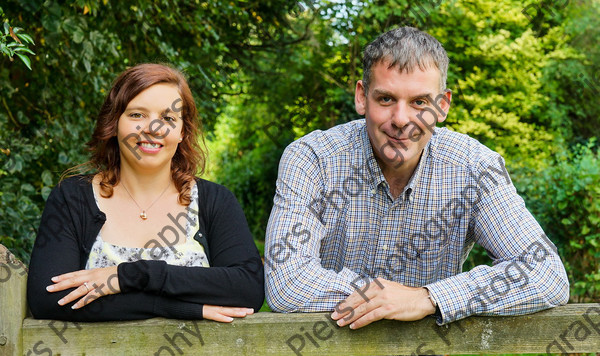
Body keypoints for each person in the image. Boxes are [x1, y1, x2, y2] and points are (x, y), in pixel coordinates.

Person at [264, 27, 569, 328]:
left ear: (443, 105)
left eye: (420, 102)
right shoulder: (312, 159)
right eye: (385, 99)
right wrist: (385, 298)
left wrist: (427, 298)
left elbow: (546, 272)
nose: (400, 119)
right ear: (361, 97)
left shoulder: (476, 168)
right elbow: (287, 282)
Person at [27, 63, 264, 322]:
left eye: (168, 118)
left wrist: (128, 277)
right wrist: (175, 308)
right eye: (137, 115)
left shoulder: (215, 202)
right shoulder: (72, 198)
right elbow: (48, 299)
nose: (154, 128)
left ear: (182, 131)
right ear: (114, 122)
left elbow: (247, 288)